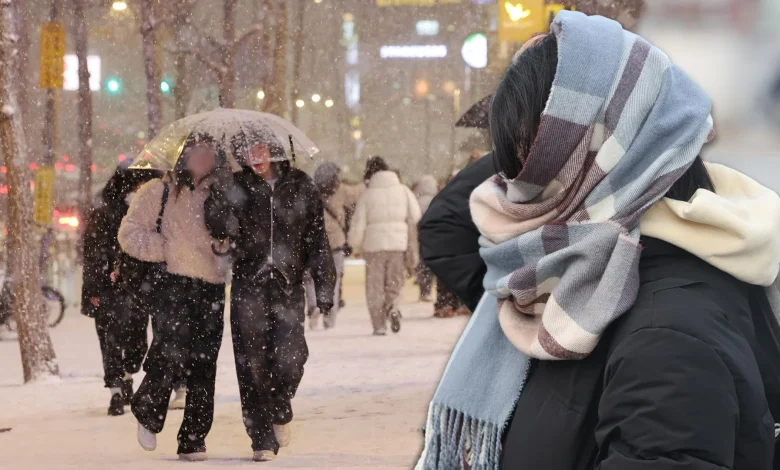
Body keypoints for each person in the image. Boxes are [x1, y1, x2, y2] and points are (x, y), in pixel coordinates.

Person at [417, 12, 780, 470]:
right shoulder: (564, 280)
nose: (514, 192)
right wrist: (558, 115)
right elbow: (449, 230)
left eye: (535, 169)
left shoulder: (666, 341)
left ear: (596, 165)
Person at [205, 136, 335, 462]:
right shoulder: (235, 185)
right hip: (248, 285)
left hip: (288, 285)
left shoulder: (300, 185)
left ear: (276, 150)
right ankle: (261, 437)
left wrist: (324, 287)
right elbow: (216, 225)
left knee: (291, 356)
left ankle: (280, 406)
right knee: (251, 364)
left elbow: (317, 239)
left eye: (261, 147)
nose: (255, 155)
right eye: (248, 149)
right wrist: (221, 198)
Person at [118, 133, 230, 462]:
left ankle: (194, 438)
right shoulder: (159, 190)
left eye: (209, 153)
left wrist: (226, 244)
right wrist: (164, 249)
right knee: (168, 353)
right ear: (183, 155)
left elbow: (238, 234)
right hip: (172, 283)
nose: (203, 158)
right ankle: (148, 412)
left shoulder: (223, 193)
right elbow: (129, 233)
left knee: (204, 364)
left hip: (211, 285)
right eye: (196, 151)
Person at [81, 166, 160, 416]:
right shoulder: (105, 213)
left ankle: (125, 377)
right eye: (138, 185)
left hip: (132, 288)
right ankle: (116, 388)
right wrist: (94, 288)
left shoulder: (145, 213)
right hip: (113, 288)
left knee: (131, 340)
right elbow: (93, 254)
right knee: (113, 340)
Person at [348, 156, 422, 336]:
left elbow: (359, 223)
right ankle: (392, 306)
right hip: (398, 244)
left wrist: (354, 243)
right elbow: (416, 215)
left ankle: (379, 325)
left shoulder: (368, 194)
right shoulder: (403, 191)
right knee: (395, 282)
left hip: (374, 246)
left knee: (374, 287)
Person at [305, 162, 354, 330]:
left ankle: (313, 306)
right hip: (336, 242)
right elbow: (358, 194)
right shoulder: (341, 191)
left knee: (311, 279)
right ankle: (329, 318)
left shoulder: (309, 192)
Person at [412, 175, 438, 302]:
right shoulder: (437, 200)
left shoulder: (416, 200)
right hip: (433, 236)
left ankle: (423, 289)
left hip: (420, 235)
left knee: (422, 263)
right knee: (430, 264)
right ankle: (428, 290)